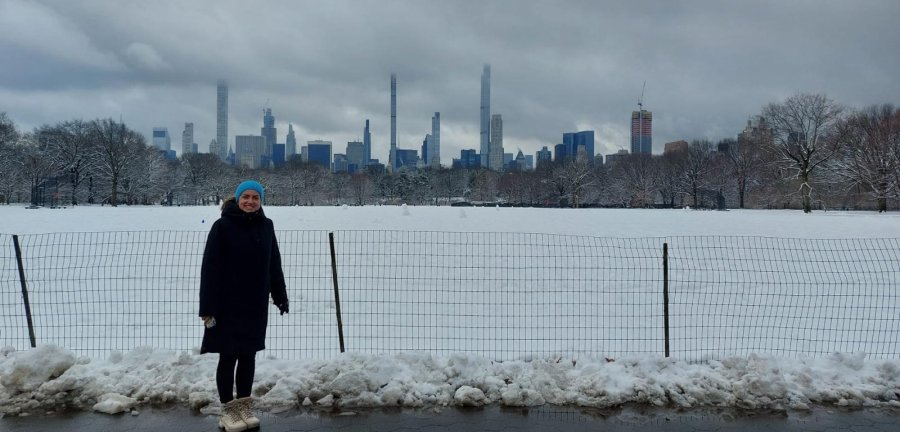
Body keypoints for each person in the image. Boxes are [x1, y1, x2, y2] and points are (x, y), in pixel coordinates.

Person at [199, 180, 289, 432]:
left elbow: (274, 264)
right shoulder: (222, 226)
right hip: (226, 305)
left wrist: (280, 295)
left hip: (255, 304)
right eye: (245, 197)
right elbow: (210, 269)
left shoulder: (267, 226)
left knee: (248, 355)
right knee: (228, 356)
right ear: (237, 199)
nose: (250, 201)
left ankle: (244, 407)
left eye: (255, 197)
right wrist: (206, 307)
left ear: (261, 201)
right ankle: (228, 410)